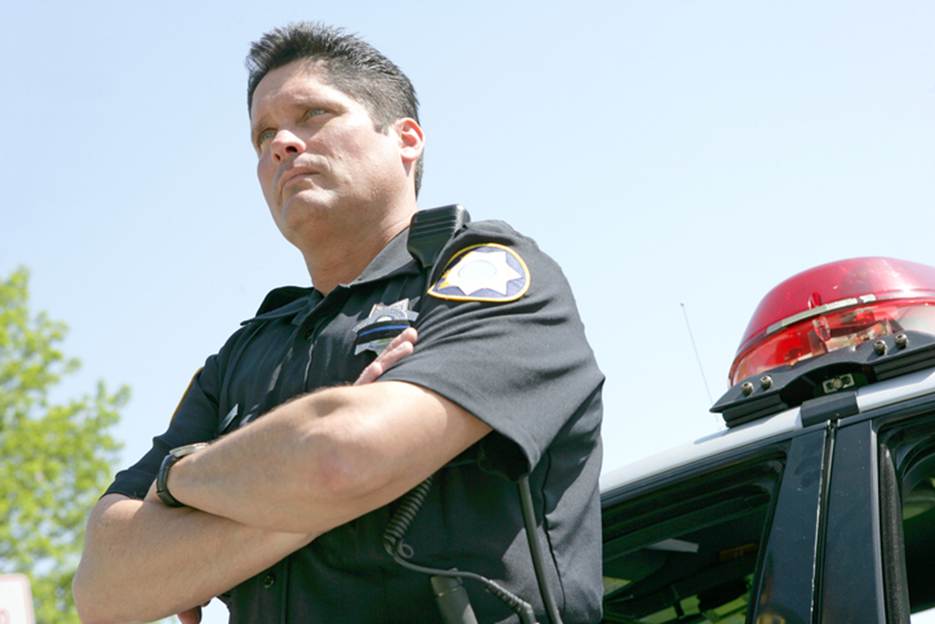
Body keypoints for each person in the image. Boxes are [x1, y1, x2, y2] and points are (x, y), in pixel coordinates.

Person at [73, 22, 604, 624]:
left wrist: (180, 485)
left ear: (406, 139)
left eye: (314, 115)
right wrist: (308, 481)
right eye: (264, 135)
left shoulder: (486, 276)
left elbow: (339, 456)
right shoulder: (244, 354)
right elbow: (105, 587)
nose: (282, 144)